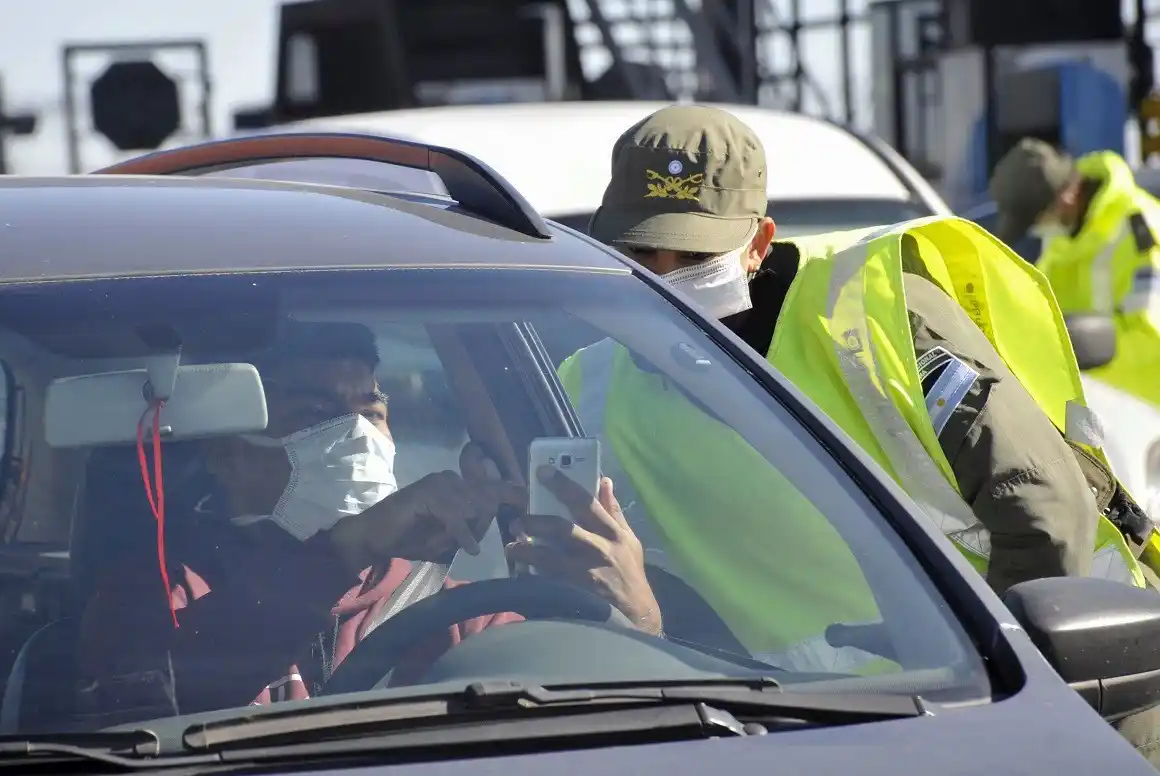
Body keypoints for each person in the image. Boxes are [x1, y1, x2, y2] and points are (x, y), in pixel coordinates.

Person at [558, 105, 1160, 761]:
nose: (665, 275)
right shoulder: (592, 385)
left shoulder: (874, 315)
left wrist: (992, 696)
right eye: (640, 252)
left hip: (1081, 700)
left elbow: (1041, 508)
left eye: (696, 255)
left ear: (759, 245)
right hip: (809, 732)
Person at [74, 321, 660, 728]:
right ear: (229, 457)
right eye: (317, 415)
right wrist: (342, 552)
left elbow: (602, 720)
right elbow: (160, 710)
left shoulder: (453, 612)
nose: (357, 437)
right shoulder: (156, 596)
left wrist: (633, 620)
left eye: (372, 413)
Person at [989, 139, 1160, 410]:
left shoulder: (1142, 233)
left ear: (1065, 198)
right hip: (1100, 411)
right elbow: (1038, 307)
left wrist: (1073, 353)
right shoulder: (1067, 235)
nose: (1038, 230)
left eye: (1038, 219)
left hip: (1147, 420)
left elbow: (1150, 339)